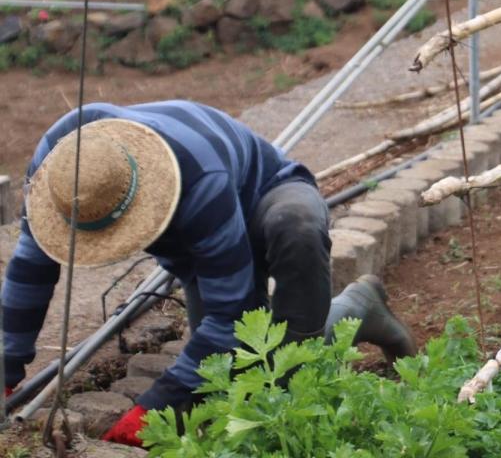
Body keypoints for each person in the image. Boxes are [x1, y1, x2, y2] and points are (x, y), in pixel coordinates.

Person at [2, 101, 415, 447]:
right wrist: (6, 367)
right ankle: (354, 309)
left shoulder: (196, 177)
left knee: (281, 366)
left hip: (266, 194)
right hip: (200, 242)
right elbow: (30, 269)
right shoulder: (59, 171)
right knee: (229, 380)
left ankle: (357, 309)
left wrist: (154, 406)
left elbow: (229, 315)